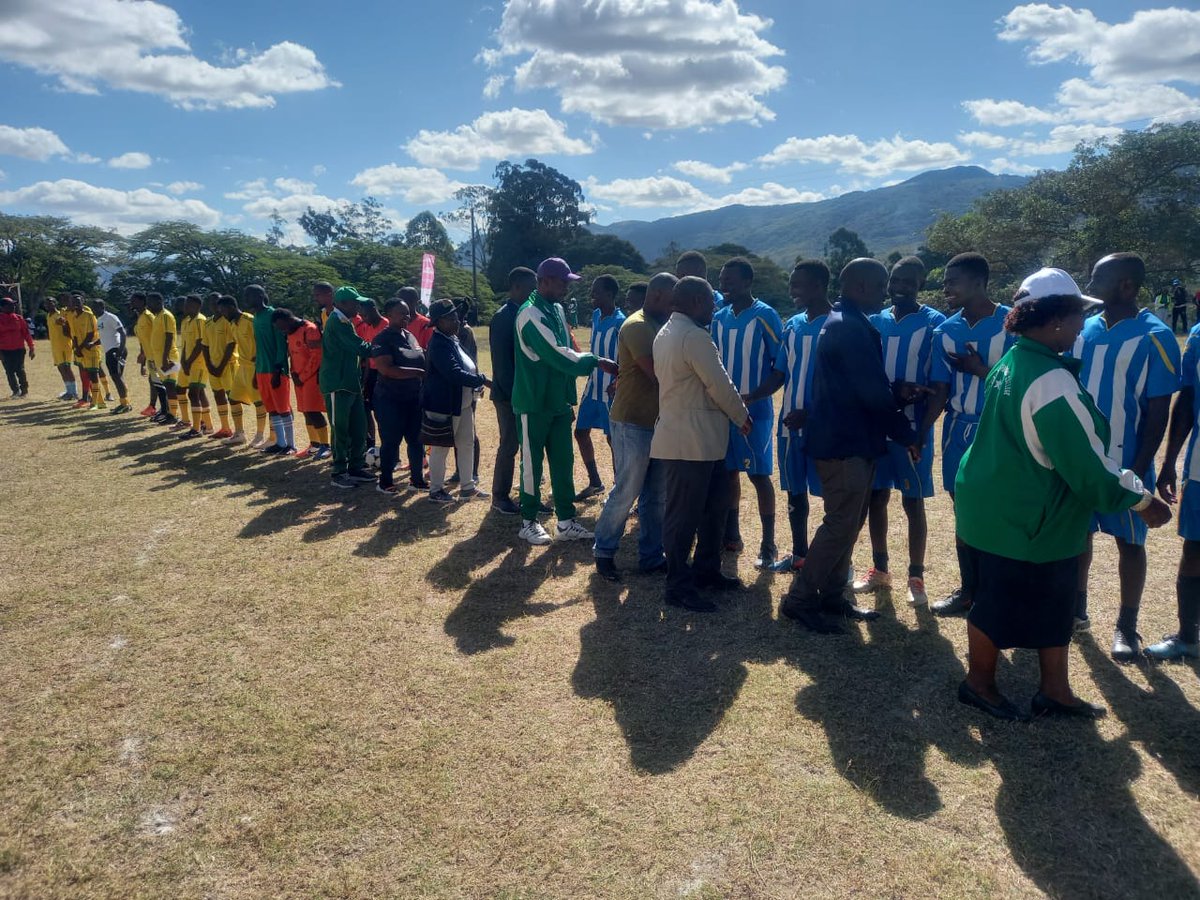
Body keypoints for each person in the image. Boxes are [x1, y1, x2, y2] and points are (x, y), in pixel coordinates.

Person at [954, 268, 1171, 721]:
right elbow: (1088, 470)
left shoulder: (1014, 362)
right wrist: (1142, 501)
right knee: (997, 604)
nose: (1081, 327)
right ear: (1054, 321)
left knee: (1055, 601)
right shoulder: (1051, 381)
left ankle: (1054, 689)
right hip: (1022, 516)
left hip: (1005, 508)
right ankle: (978, 684)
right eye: (1077, 317)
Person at [779, 259, 917, 634]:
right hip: (844, 444)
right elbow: (871, 393)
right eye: (879, 286)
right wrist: (906, 434)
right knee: (840, 524)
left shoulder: (844, 322)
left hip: (851, 440)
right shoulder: (849, 327)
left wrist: (895, 401)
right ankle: (800, 599)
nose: (885, 293)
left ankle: (832, 596)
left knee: (849, 523)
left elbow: (860, 388)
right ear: (859, 286)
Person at [1071, 253, 1180, 658]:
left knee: (1129, 543)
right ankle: (1077, 612)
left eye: (1098, 279)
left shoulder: (1155, 336)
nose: (1090, 284)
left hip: (1126, 461)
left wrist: (1139, 465)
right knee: (1078, 534)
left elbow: (1158, 409)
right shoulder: (1085, 329)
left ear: (1126, 287)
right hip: (1084, 459)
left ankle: (1127, 627)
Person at [652, 276, 751, 611]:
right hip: (690, 442)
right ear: (695, 301)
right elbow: (719, 384)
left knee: (713, 509)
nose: (715, 307)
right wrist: (742, 417)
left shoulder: (667, 332)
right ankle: (678, 585)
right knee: (683, 517)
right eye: (711, 301)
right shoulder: (693, 336)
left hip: (700, 441)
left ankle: (706, 571)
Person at [852, 257, 946, 606]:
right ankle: (880, 569)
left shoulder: (934, 323)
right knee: (877, 497)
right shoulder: (875, 320)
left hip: (911, 430)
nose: (900, 286)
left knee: (912, 501)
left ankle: (916, 576)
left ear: (921, 283)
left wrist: (921, 431)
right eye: (895, 280)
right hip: (878, 427)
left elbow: (938, 385)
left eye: (909, 281)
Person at [927, 253, 1015, 617]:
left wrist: (981, 370)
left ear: (979, 282)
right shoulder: (945, 331)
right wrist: (921, 432)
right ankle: (969, 590)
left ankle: (1002, 591)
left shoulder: (1012, 324)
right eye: (945, 281)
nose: (946, 288)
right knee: (963, 509)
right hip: (958, 430)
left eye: (953, 281)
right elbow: (940, 387)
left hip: (999, 429)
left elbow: (1022, 381)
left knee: (1001, 509)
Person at [512, 257, 618, 545]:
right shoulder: (529, 314)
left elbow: (569, 346)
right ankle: (529, 521)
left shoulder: (557, 309)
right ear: (543, 281)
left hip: (557, 401)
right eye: (562, 282)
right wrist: (596, 361)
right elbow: (557, 355)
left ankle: (566, 521)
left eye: (567, 283)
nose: (566, 288)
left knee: (563, 460)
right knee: (532, 464)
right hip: (533, 402)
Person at [742, 260, 832, 573]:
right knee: (795, 492)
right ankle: (799, 555)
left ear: (819, 286)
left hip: (826, 428)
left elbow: (846, 382)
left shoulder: (839, 324)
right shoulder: (792, 324)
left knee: (833, 499)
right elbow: (779, 373)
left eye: (798, 285)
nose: (792, 291)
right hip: (790, 427)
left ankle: (835, 561)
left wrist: (812, 413)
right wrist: (751, 396)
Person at [593, 272, 677, 581]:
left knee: (657, 495)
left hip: (658, 422)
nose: (675, 307)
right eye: (672, 301)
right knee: (627, 490)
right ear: (656, 296)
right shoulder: (638, 325)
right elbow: (657, 374)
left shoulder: (662, 323)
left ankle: (651, 556)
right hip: (633, 422)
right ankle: (604, 551)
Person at [711, 257, 785, 567]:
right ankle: (733, 535)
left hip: (756, 412)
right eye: (721, 279)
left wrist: (752, 397)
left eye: (730, 279)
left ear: (747, 282)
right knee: (728, 473)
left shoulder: (765, 315)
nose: (724, 284)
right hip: (723, 411)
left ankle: (768, 544)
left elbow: (780, 367)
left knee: (758, 475)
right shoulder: (720, 317)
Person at [1152, 318, 1200, 660]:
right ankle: (1187, 636)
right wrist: (1169, 463)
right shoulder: (1197, 335)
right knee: (1195, 547)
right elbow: (1186, 399)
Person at [422, 298, 491, 504]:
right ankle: (436, 489)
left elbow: (466, 366)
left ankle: (467, 486)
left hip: (462, 402)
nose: (457, 321)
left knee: (466, 443)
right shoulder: (439, 343)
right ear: (439, 322)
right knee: (441, 447)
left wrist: (475, 383)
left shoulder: (451, 338)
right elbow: (453, 373)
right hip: (444, 404)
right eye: (451, 317)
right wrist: (482, 380)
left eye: (456, 316)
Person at [489, 267, 538, 515]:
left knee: (530, 447)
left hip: (526, 394)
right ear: (516, 287)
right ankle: (500, 496)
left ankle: (530, 494)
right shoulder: (503, 317)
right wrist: (515, 396)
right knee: (509, 445)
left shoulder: (527, 314)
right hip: (509, 396)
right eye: (530, 289)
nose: (534, 293)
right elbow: (502, 365)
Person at [574, 274, 626, 500]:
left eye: (596, 291)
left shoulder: (620, 322)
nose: (591, 295)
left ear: (610, 294)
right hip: (593, 385)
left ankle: (619, 488)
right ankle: (595, 481)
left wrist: (617, 381)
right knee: (580, 432)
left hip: (610, 389)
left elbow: (626, 357)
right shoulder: (596, 316)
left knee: (613, 439)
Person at [321, 287, 377, 489]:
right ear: (342, 304)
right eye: (355, 303)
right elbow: (359, 346)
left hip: (350, 383)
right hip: (338, 384)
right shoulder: (338, 322)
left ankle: (355, 467)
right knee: (340, 429)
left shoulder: (346, 321)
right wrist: (381, 347)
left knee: (358, 428)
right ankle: (338, 471)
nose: (358, 307)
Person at [371, 298, 427, 496]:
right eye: (401, 313)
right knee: (391, 441)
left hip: (413, 399)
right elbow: (386, 369)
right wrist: (418, 373)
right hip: (390, 399)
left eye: (408, 312)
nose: (407, 316)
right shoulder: (382, 339)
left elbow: (422, 357)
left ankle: (417, 479)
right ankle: (385, 481)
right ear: (389, 315)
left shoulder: (410, 335)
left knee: (416, 440)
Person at [273, 308, 330, 460]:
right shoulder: (290, 332)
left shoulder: (309, 329)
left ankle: (326, 445)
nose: (282, 330)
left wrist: (303, 376)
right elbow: (293, 354)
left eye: (282, 327)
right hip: (298, 378)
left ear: (289, 319)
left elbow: (316, 356)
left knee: (313, 411)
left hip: (311, 377)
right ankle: (314, 444)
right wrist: (293, 373)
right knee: (305, 411)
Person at [246, 285, 295, 455]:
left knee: (283, 408)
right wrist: (255, 372)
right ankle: (280, 443)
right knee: (271, 408)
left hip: (276, 371)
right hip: (261, 370)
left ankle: (291, 444)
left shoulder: (273, 315)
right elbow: (259, 347)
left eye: (251, 295)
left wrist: (277, 369)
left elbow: (282, 345)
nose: (248, 299)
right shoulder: (256, 317)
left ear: (261, 295)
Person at [213, 294, 266, 446]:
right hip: (241, 367)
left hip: (255, 367)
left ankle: (260, 435)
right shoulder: (232, 323)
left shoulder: (250, 320)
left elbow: (262, 343)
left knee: (259, 402)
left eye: (223, 311)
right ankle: (239, 434)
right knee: (233, 398)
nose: (222, 314)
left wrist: (258, 368)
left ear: (231, 307)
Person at [177, 294, 213, 439]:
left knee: (194, 393)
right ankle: (208, 425)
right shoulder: (186, 321)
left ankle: (196, 428)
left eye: (188, 304)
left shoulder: (200, 320)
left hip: (199, 363)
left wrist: (190, 361)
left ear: (197, 306)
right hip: (187, 363)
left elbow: (200, 344)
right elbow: (186, 344)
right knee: (195, 392)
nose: (185, 307)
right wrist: (183, 360)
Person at [356, 297, 388, 450]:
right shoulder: (367, 326)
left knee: (381, 413)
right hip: (371, 373)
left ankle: (387, 448)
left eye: (365, 315)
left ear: (374, 309)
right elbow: (368, 357)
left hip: (385, 374)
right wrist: (365, 379)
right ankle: (371, 446)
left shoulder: (386, 326)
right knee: (365, 409)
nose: (363, 318)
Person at [65, 294, 106, 410]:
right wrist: (76, 348)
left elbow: (90, 334)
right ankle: (100, 401)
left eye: (78, 301)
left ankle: (95, 403)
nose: (76, 304)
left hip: (91, 349)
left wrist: (80, 348)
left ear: (83, 302)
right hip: (80, 350)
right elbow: (75, 335)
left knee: (93, 375)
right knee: (87, 374)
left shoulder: (88, 315)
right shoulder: (73, 316)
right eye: (74, 302)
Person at [145, 292, 180, 424]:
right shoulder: (157, 316)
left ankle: (173, 415)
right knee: (167, 385)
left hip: (168, 357)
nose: (148, 305)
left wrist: (165, 358)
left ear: (159, 302)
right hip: (160, 358)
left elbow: (169, 337)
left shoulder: (165, 315)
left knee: (170, 385)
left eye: (150, 302)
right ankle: (170, 413)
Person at [91, 300, 130, 413]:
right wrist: (93, 343)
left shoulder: (110, 317)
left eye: (95, 307)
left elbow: (122, 332)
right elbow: (104, 337)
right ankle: (125, 403)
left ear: (102, 306)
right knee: (117, 377)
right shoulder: (99, 319)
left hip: (115, 350)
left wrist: (120, 350)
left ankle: (125, 404)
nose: (93, 310)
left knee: (117, 377)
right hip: (109, 351)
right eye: (92, 307)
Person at [130, 293, 165, 418]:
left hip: (156, 354)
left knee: (159, 380)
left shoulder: (149, 316)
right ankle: (155, 407)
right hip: (149, 355)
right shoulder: (139, 317)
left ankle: (162, 407)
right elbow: (142, 339)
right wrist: (142, 353)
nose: (131, 303)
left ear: (142, 302)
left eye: (134, 301)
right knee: (154, 380)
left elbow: (157, 334)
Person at [41, 295, 78, 401]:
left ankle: (74, 392)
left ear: (55, 303)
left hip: (64, 346)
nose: (49, 305)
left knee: (67, 368)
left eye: (51, 302)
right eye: (47, 303)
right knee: (61, 368)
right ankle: (68, 390)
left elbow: (65, 325)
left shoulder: (59, 315)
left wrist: (63, 323)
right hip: (55, 347)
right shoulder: (48, 315)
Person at [0, 296, 34, 398]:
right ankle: (15, 391)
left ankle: (24, 390)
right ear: (2, 307)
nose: (13, 306)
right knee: (9, 371)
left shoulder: (19, 319)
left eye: (13, 304)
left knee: (20, 369)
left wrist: (31, 347)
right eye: (10, 305)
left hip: (19, 349)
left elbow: (26, 334)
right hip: (4, 350)